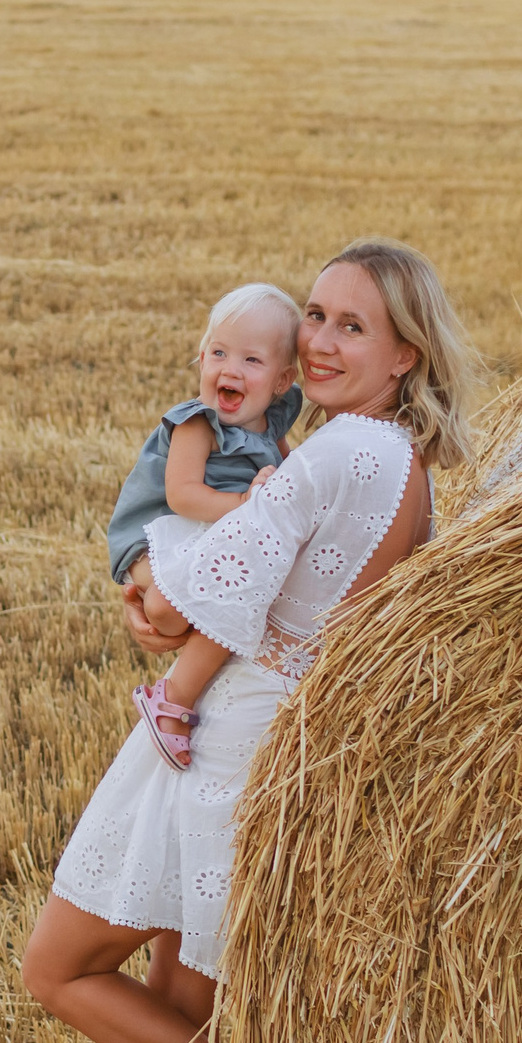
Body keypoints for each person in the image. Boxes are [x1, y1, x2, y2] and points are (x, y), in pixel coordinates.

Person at [0, 239, 482, 1043]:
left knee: (58, 967)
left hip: (220, 747)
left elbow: (194, 592)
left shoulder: (336, 455)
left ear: (405, 353)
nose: (319, 341)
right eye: (315, 315)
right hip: (275, 749)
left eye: (352, 326)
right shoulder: (405, 469)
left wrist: (148, 594)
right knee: (178, 997)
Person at [102, 284, 305, 770]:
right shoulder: (197, 423)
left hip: (210, 535)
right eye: (218, 353)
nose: (230, 369)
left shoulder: (271, 423)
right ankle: (172, 699)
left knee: (215, 600)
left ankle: (174, 656)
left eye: (251, 360)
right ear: (201, 357)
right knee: (186, 607)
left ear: (282, 380)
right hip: (156, 536)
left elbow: (292, 474)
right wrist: (247, 506)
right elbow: (182, 495)